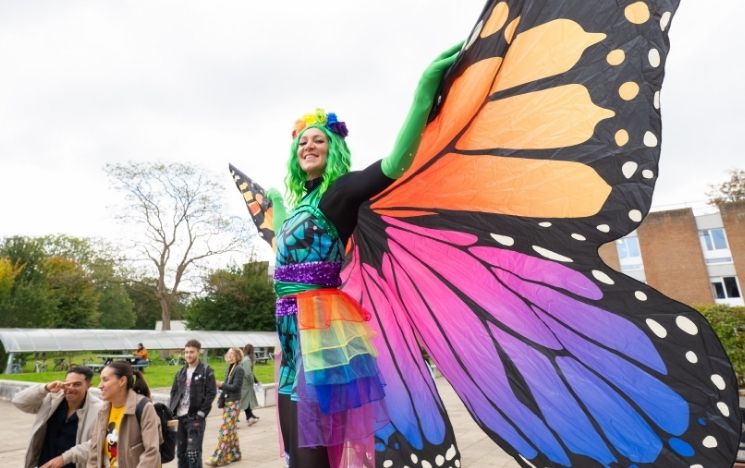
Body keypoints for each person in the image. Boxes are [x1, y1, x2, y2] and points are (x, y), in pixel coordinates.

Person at [260, 45, 461, 468]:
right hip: (292, 331)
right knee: (299, 443)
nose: (308, 146)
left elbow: (393, 165)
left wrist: (423, 93)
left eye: (319, 140)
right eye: (302, 142)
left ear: (334, 149)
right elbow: (282, 244)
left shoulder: (339, 193)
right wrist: (277, 201)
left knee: (313, 448)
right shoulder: (302, 203)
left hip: (319, 329)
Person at [12, 366, 102, 468]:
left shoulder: (98, 409)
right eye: (67, 384)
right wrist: (44, 388)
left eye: (77, 384)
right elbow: (19, 401)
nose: (70, 388)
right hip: (44, 464)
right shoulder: (52, 398)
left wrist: (63, 458)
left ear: (88, 385)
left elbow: (96, 444)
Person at [86, 361, 162, 467]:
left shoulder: (144, 407)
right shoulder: (104, 410)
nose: (100, 386)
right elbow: (94, 450)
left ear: (122, 381)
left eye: (105, 380)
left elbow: (151, 453)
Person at [168, 339, 217, 468]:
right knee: (181, 453)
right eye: (186, 352)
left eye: (192, 352)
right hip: (179, 417)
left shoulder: (206, 371)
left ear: (198, 352)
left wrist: (202, 413)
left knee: (193, 453)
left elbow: (211, 393)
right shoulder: (180, 373)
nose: (188, 355)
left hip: (195, 418)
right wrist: (171, 411)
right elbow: (174, 393)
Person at [206, 347, 244, 466]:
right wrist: (222, 393)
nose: (230, 355)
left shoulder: (239, 369)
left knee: (226, 430)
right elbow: (227, 385)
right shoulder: (230, 367)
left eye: (232, 354)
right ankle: (235, 454)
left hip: (233, 403)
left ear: (238, 356)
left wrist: (221, 385)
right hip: (228, 402)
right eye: (229, 353)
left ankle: (220, 458)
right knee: (231, 429)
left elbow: (236, 387)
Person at [239, 343, 260, 426]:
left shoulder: (243, 358)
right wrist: (252, 381)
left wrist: (256, 380)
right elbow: (248, 373)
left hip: (244, 383)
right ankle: (248, 417)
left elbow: (250, 372)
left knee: (247, 400)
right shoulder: (247, 360)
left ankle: (250, 415)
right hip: (245, 384)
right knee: (245, 401)